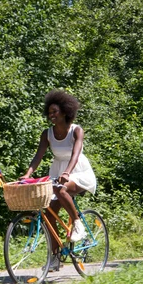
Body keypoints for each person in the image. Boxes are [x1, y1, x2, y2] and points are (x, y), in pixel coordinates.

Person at [20, 89, 97, 269]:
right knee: (48, 215)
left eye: (55, 112)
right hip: (58, 170)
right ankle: (54, 258)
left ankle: (77, 224)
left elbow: (76, 154)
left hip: (77, 171)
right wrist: (28, 174)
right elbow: (38, 156)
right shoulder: (47, 134)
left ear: (64, 111)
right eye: (49, 113)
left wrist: (67, 173)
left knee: (61, 189)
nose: (51, 115)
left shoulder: (76, 130)